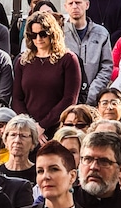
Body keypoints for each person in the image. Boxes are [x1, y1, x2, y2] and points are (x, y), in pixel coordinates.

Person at [13, 11, 81, 139]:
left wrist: (43, 125)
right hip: (28, 131)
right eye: (33, 35)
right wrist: (32, 127)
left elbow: (69, 99)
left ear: (52, 33)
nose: (38, 39)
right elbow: (17, 98)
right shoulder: (22, 61)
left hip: (58, 129)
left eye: (43, 34)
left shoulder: (68, 59)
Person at [62, 0, 114, 105]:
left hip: (93, 100)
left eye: (78, 2)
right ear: (65, 7)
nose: (74, 6)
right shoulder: (59, 34)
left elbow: (106, 67)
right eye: (70, 3)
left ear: (87, 4)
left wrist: (91, 94)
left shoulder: (101, 33)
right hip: (66, 101)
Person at [0, 115, 40, 185]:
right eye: (13, 135)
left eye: (23, 136)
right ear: (6, 140)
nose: (17, 140)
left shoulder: (39, 173)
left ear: (33, 142)